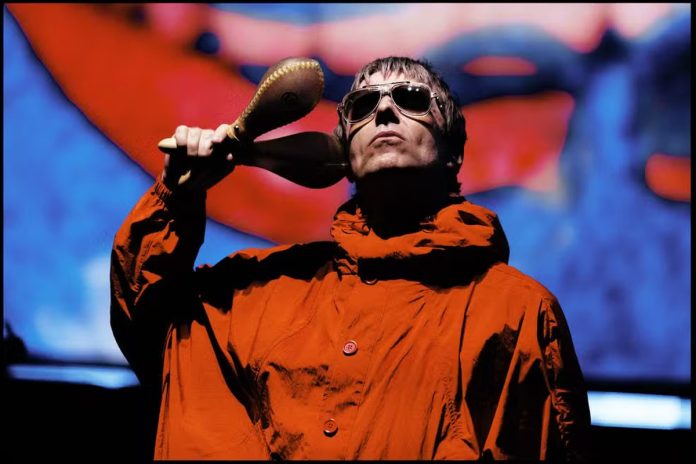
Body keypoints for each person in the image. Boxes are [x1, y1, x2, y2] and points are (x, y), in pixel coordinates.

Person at [111, 56, 591, 461]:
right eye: (363, 105)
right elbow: (150, 322)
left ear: (453, 151)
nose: (384, 109)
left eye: (411, 99)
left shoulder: (516, 312)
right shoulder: (256, 291)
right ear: (343, 156)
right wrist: (176, 196)